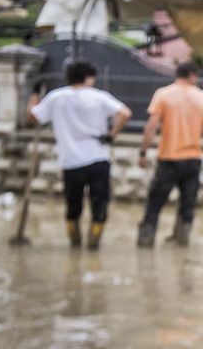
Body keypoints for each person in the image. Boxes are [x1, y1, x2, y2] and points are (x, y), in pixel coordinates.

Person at [27, 61, 131, 250]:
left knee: (73, 205)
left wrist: (34, 94)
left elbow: (33, 117)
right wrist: (111, 135)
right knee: (99, 204)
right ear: (89, 77)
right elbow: (125, 113)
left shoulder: (56, 97)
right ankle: (93, 245)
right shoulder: (99, 97)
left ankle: (74, 245)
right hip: (98, 158)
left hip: (71, 162)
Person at [136, 62, 203, 248]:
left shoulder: (163, 94)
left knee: (155, 202)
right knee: (187, 203)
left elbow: (151, 126)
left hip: (169, 159)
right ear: (193, 76)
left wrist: (143, 151)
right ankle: (182, 241)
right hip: (193, 159)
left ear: (177, 74)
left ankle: (146, 241)